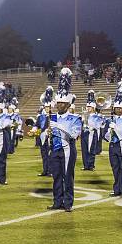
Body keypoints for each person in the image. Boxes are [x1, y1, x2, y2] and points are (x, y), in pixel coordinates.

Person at [46, 68, 82, 212]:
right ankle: (57, 201)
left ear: (67, 104)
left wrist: (59, 126)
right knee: (56, 177)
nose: (59, 105)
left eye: (62, 103)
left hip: (68, 150)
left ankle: (68, 203)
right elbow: (49, 133)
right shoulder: (52, 117)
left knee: (68, 177)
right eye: (58, 102)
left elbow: (74, 135)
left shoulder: (75, 118)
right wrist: (45, 133)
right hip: (55, 150)